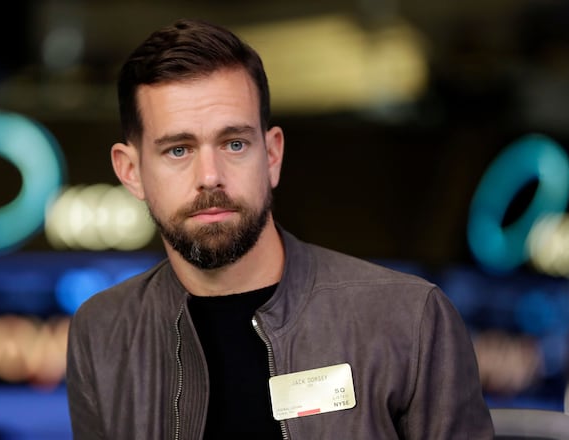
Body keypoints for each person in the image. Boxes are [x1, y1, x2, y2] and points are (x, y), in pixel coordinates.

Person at [66, 18, 494, 439]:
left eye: (235, 143)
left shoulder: (408, 320)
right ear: (131, 171)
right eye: (178, 150)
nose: (210, 175)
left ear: (271, 156)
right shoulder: (103, 331)